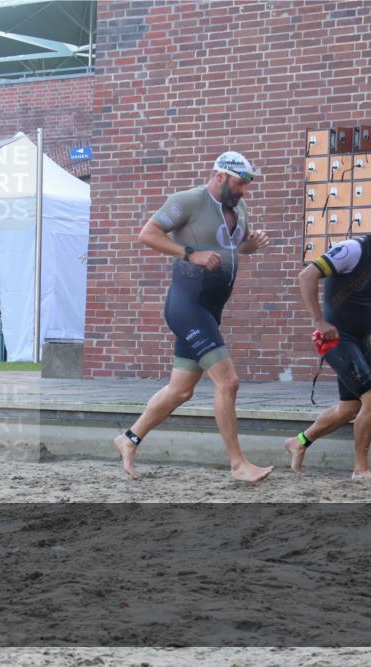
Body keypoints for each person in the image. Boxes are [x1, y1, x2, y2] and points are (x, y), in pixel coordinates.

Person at [112, 152, 274, 482]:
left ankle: (128, 439)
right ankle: (238, 464)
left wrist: (249, 246)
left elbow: (231, 248)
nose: (244, 190)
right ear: (219, 177)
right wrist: (191, 253)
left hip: (211, 309)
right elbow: (148, 234)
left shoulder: (239, 208)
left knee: (181, 390)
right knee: (228, 382)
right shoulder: (188, 200)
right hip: (188, 306)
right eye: (240, 183)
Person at [284, 211, 371, 477]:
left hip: (359, 341)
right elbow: (306, 276)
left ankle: (298, 442)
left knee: (350, 407)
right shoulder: (351, 250)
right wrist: (319, 321)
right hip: (337, 339)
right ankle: (361, 469)